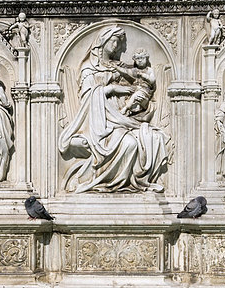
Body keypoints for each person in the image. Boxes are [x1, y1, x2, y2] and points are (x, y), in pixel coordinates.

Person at [58, 26, 169, 193]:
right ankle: (108, 183)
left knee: (151, 137)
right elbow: (87, 98)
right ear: (102, 42)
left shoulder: (120, 66)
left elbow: (140, 84)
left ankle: (130, 183)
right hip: (99, 121)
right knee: (130, 143)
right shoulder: (88, 68)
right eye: (115, 42)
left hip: (122, 117)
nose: (118, 47)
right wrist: (112, 89)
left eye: (120, 43)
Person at [112, 48, 156, 116]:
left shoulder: (149, 70)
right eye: (137, 59)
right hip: (135, 88)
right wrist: (116, 67)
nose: (140, 60)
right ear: (134, 60)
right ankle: (130, 109)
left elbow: (152, 80)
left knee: (136, 95)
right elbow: (126, 71)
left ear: (146, 59)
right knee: (124, 93)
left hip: (144, 90)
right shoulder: (135, 70)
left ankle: (126, 108)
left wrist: (144, 76)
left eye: (142, 58)